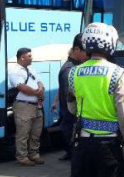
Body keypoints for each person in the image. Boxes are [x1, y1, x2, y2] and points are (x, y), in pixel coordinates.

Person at [67, 22, 124, 177]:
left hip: (83, 145)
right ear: (110, 44)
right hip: (109, 147)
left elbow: (72, 108)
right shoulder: (117, 73)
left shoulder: (74, 73)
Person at [51, 33, 88, 161]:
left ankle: (70, 153)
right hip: (69, 112)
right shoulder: (69, 69)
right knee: (69, 133)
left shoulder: (72, 67)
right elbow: (68, 93)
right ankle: (72, 154)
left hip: (67, 111)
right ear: (75, 51)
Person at [8, 47, 45, 166]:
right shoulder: (14, 71)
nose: (32, 58)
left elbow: (39, 81)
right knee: (23, 134)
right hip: (24, 106)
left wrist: (40, 88)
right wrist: (37, 92)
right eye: (29, 56)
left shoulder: (31, 68)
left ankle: (34, 155)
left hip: (36, 106)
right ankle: (22, 157)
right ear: (22, 57)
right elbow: (21, 87)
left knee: (36, 133)